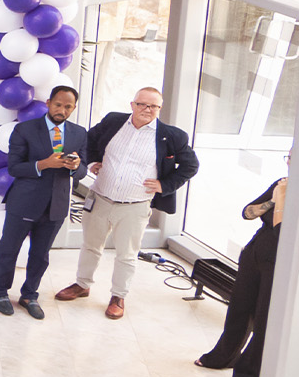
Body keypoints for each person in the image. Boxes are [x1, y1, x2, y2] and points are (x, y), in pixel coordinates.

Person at [55, 88, 200, 319]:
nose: (147, 110)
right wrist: (93, 160)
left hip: (135, 205)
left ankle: (118, 296)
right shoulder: (114, 121)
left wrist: (165, 184)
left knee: (127, 254)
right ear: (132, 105)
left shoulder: (172, 136)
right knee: (91, 246)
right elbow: (88, 141)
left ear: (160, 109)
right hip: (100, 197)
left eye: (153, 106)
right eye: (142, 104)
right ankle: (82, 285)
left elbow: (190, 166)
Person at [0, 85, 89, 318]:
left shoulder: (79, 133)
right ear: (48, 103)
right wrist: (43, 164)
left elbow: (83, 170)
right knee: (9, 249)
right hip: (24, 201)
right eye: (58, 105)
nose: (62, 110)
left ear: (73, 108)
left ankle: (29, 295)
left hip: (56, 205)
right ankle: (1, 292)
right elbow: (14, 167)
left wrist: (75, 168)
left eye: (68, 107)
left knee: (41, 254)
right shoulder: (25, 129)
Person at [197, 162, 288, 377]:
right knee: (239, 308)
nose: (288, 161)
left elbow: (280, 230)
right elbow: (248, 212)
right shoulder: (280, 184)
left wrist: (279, 201)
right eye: (288, 156)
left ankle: (250, 376)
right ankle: (222, 357)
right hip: (255, 252)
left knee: (263, 318)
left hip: (280, 260)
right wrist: (273, 199)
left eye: (293, 157)